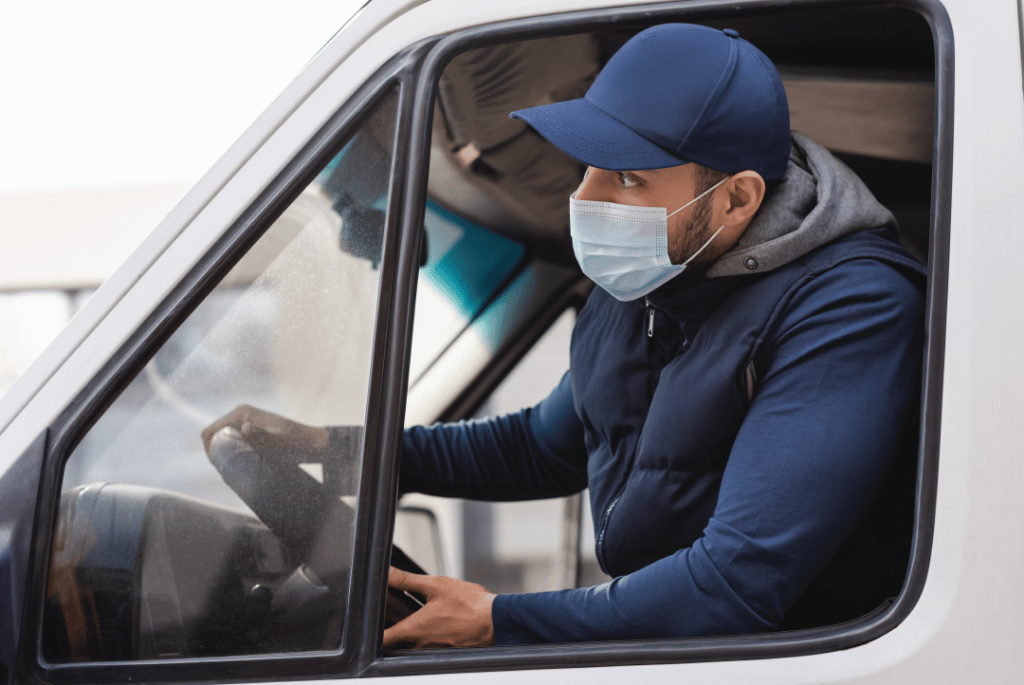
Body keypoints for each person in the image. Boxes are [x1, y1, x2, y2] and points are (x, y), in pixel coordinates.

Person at [204, 23, 925, 648]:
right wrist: (337, 448)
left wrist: (500, 620)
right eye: (588, 167)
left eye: (627, 179)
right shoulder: (647, 274)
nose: (586, 199)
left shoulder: (851, 307)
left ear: (736, 198)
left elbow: (737, 584)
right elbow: (543, 445)